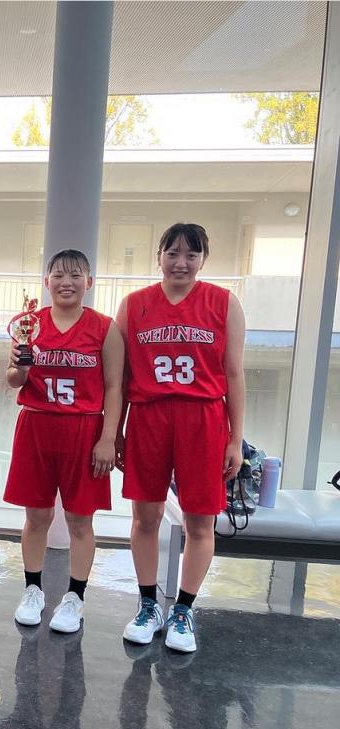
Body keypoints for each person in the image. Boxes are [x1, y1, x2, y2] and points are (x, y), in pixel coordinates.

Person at [117, 223, 245, 653]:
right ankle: (148, 605)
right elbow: (121, 377)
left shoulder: (223, 302)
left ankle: (184, 610)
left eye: (191, 254)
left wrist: (236, 439)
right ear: (159, 257)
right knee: (145, 516)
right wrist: (116, 431)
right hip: (149, 415)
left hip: (203, 417)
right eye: (172, 253)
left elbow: (234, 374)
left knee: (199, 520)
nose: (181, 263)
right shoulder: (134, 305)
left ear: (204, 259)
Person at [3, 249, 123, 633]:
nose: (66, 282)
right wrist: (21, 368)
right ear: (46, 281)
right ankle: (32, 590)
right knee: (36, 516)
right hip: (36, 425)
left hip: (83, 429)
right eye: (58, 275)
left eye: (75, 275)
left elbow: (115, 387)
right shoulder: (29, 325)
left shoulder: (105, 328)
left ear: (89, 282)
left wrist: (108, 438)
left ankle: (75, 597)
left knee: (79, 520)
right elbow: (12, 379)